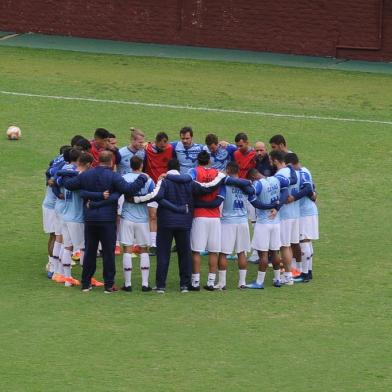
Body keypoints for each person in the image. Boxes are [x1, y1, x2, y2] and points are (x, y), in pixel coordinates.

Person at [62, 150, 150, 293]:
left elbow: (69, 185)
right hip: (107, 220)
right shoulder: (114, 176)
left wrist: (64, 173)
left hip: (90, 218)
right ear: (111, 162)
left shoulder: (86, 175)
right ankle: (109, 285)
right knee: (108, 252)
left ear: (98, 160)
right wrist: (143, 178)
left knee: (90, 251)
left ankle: (86, 284)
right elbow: (129, 190)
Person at [133, 158, 226, 293]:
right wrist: (221, 176)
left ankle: (161, 286)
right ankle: (184, 285)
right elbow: (207, 188)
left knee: (163, 254)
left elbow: (155, 195)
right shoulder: (189, 182)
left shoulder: (164, 181)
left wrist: (137, 199)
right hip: (184, 223)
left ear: (167, 168)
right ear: (179, 169)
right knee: (185, 254)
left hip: (166, 222)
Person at [119, 156, 155, 292]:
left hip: (127, 218)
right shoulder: (148, 179)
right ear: (141, 165)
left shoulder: (124, 178)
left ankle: (127, 284)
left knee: (127, 249)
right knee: (143, 249)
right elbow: (153, 196)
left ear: (130, 165)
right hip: (143, 219)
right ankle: (145, 284)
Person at [188, 151, 222, 291]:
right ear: (209, 160)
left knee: (196, 251)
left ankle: (195, 282)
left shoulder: (194, 171)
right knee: (213, 251)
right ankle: (210, 282)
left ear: (198, 161)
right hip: (214, 217)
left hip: (199, 216)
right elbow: (219, 195)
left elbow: (189, 185)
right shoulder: (217, 173)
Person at [215, 161, 251, 290]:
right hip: (242, 221)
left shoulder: (224, 184)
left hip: (228, 221)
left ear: (228, 170)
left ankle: (222, 283)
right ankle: (242, 283)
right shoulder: (244, 185)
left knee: (223, 253)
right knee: (242, 252)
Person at [245, 168, 283, 289]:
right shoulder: (275, 180)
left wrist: (270, 205)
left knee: (263, 254)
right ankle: (277, 279)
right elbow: (285, 191)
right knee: (275, 251)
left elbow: (256, 203)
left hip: (263, 223)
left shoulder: (258, 184)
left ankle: (259, 282)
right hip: (276, 222)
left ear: (253, 178)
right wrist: (276, 206)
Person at [284, 154, 319, 282]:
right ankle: (308, 272)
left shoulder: (301, 172)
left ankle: (305, 273)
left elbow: (309, 188)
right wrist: (313, 195)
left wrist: (294, 197)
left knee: (304, 241)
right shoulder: (305, 171)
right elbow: (312, 189)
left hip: (305, 213)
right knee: (307, 241)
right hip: (307, 211)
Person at [269, 150, 299, 285]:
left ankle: (287, 276)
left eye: (271, 160)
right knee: (290, 245)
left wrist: (277, 207)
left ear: (275, 160)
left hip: (285, 215)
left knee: (284, 247)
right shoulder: (293, 172)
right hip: (295, 214)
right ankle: (289, 273)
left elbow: (282, 194)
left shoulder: (279, 175)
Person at [144, 132, 175, 255]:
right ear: (156, 142)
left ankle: (165, 243)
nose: (164, 147)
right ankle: (153, 244)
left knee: (165, 216)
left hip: (166, 187)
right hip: (152, 188)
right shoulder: (147, 149)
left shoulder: (171, 148)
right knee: (152, 215)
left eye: (165, 144)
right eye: (161, 145)